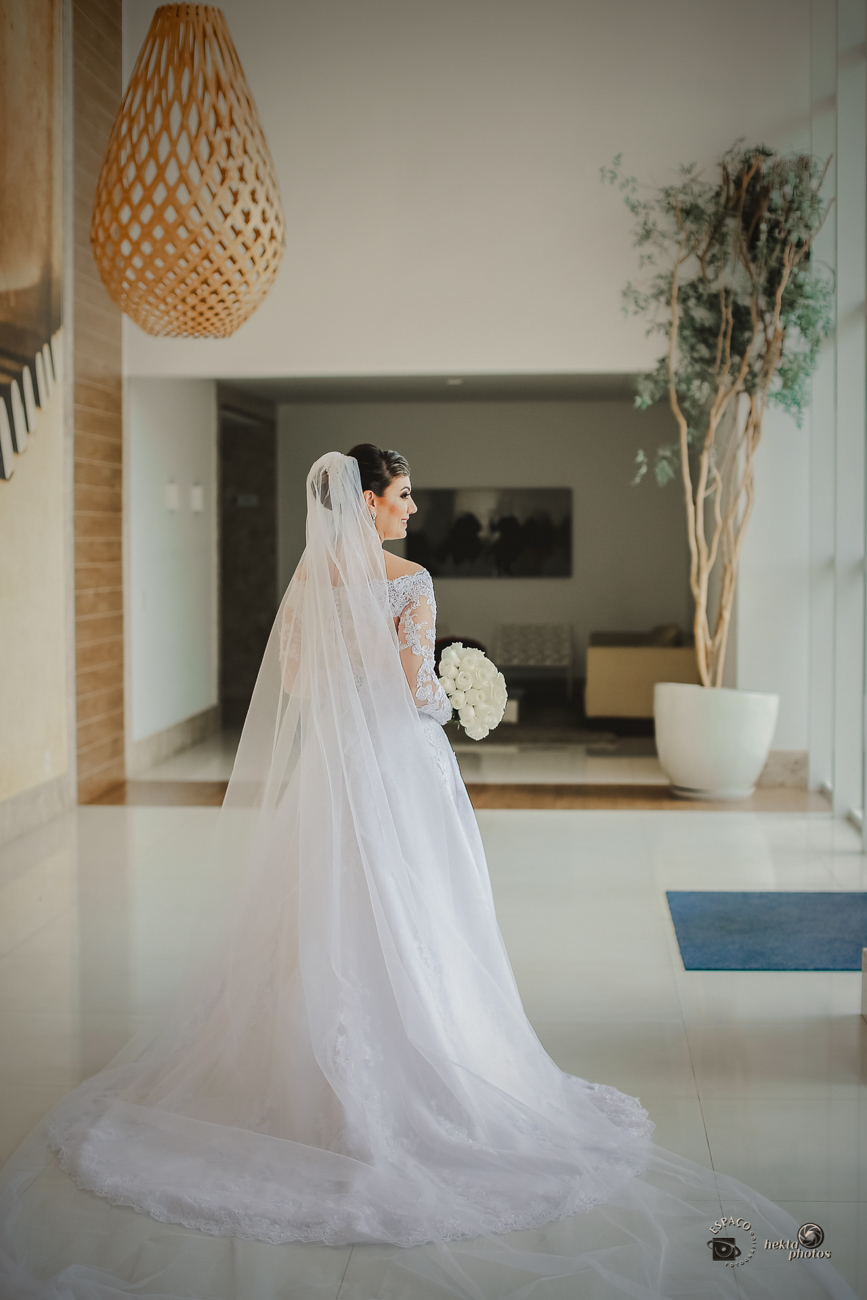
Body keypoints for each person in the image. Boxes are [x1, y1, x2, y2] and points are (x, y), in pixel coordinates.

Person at [0, 449, 857, 1300]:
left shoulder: (309, 584)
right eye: (402, 496)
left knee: (315, 906)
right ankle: (429, 1055)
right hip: (401, 767)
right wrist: (454, 692)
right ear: (367, 501)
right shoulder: (410, 579)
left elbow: (295, 683)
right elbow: (416, 694)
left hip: (332, 773)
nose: (412, 509)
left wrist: (372, 681)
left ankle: (302, 1071)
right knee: (420, 909)